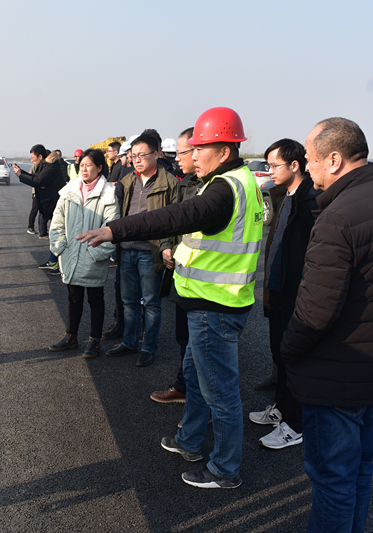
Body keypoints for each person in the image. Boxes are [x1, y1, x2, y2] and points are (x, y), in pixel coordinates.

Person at [79, 107, 262, 489]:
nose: (192, 156)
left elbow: (173, 217)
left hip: (215, 306)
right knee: (196, 378)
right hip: (210, 302)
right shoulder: (241, 182)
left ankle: (225, 469)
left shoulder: (223, 189)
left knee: (221, 394)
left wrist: (114, 230)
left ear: (223, 151)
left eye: (199, 149)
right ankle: (189, 440)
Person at [282, 117, 373, 532]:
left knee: (332, 480)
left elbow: (315, 312)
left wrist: (288, 351)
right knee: (359, 470)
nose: (308, 167)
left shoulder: (337, 216)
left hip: (336, 377)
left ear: (334, 159)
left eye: (310, 158)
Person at [248, 139, 320, 450]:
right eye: (268, 165)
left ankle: (295, 423)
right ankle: (281, 409)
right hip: (276, 287)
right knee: (279, 353)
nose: (270, 171)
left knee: (294, 358)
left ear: (295, 165)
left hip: (296, 292)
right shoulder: (282, 195)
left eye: (275, 165)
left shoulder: (311, 201)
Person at [103, 130, 179, 367]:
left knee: (152, 302)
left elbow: (174, 221)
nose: (136, 160)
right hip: (126, 249)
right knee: (128, 300)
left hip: (150, 251)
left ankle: (148, 347)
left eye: (141, 155)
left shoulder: (170, 183)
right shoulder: (128, 181)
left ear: (156, 154)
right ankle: (129, 342)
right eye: (133, 155)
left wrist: (167, 247)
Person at [48, 149, 119, 357]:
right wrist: (60, 246)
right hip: (71, 253)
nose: (84, 169)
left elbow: (112, 227)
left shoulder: (108, 194)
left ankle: (95, 340)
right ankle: (71, 336)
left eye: (89, 165)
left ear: (99, 167)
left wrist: (97, 252)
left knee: (95, 299)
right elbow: (57, 221)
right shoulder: (69, 190)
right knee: (73, 298)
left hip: (93, 254)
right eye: (82, 165)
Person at [150, 127, 202, 405]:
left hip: (206, 285)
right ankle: (184, 387)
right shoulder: (185, 184)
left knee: (201, 347)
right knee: (184, 338)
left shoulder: (214, 189)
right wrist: (167, 246)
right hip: (183, 277)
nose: (176, 158)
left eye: (181, 152)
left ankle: (201, 403)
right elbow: (171, 221)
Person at [13, 145, 64, 273]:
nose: (31, 160)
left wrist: (20, 175)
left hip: (58, 206)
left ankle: (57, 263)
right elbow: (35, 177)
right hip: (52, 205)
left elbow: (38, 181)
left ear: (40, 156)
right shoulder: (45, 166)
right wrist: (21, 172)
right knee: (56, 235)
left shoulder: (51, 168)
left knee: (58, 235)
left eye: (33, 158)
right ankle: (53, 261)